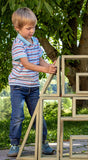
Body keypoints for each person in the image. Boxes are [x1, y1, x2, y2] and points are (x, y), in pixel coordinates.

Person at [7, 7, 57, 157]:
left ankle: (43, 144)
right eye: (28, 28)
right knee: (18, 116)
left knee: (38, 116)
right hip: (18, 86)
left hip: (33, 87)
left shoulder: (35, 41)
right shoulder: (18, 44)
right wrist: (45, 70)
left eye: (33, 27)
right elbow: (27, 64)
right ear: (17, 28)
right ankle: (14, 144)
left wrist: (49, 66)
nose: (32, 31)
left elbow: (39, 60)